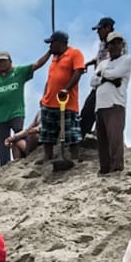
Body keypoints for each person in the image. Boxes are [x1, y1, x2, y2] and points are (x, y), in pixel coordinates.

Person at [29, 31, 87, 167]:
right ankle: (47, 156)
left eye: (52, 43)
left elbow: (78, 72)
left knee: (71, 131)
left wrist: (66, 89)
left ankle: (73, 157)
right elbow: (50, 79)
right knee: (47, 132)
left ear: (61, 43)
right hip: (49, 102)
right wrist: (44, 96)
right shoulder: (54, 58)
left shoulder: (74, 53)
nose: (50, 47)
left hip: (67, 102)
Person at [0, 52, 36, 168]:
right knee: (2, 145)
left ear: (10, 62)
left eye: (4, 61)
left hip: (16, 112)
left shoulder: (18, 72)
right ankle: (5, 166)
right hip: (0, 116)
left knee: (19, 135)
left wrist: (49, 53)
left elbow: (35, 66)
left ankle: (25, 158)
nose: (1, 64)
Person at [92, 32, 131, 174]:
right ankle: (105, 168)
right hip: (100, 104)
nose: (114, 46)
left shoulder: (126, 60)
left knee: (115, 138)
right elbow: (93, 81)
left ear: (122, 44)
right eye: (112, 44)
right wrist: (106, 77)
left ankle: (116, 167)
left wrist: (103, 75)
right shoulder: (103, 63)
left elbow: (115, 74)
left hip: (115, 103)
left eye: (117, 43)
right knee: (102, 140)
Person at [80, 16, 117, 138]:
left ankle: (99, 135)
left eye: (100, 29)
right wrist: (89, 63)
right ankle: (83, 134)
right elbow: (99, 57)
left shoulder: (118, 43)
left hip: (109, 82)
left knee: (103, 110)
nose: (98, 32)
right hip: (98, 82)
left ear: (108, 28)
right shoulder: (102, 44)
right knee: (88, 110)